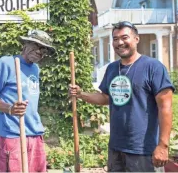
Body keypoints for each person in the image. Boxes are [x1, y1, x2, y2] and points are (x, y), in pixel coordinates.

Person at [69, 21, 174, 172]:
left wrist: (163, 145)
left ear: (136, 39)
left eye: (125, 37)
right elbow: (105, 98)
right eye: (115, 39)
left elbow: (166, 107)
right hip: (116, 148)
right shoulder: (112, 68)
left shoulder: (153, 67)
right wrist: (80, 94)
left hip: (143, 150)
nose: (120, 42)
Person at [0, 29, 56, 172]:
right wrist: (10, 108)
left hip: (35, 133)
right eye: (37, 46)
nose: (40, 52)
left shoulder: (35, 69)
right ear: (25, 44)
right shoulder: (7, 63)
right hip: (13, 134)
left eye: (44, 50)